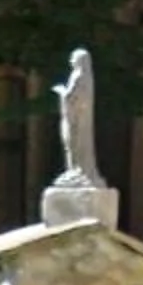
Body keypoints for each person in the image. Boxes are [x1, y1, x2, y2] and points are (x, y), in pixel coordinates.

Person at [55, 49, 101, 185]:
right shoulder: (86, 77)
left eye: (73, 58)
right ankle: (74, 169)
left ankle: (76, 170)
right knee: (73, 143)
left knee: (73, 143)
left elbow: (71, 97)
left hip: (75, 119)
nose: (71, 61)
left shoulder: (78, 76)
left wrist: (60, 91)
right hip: (79, 118)